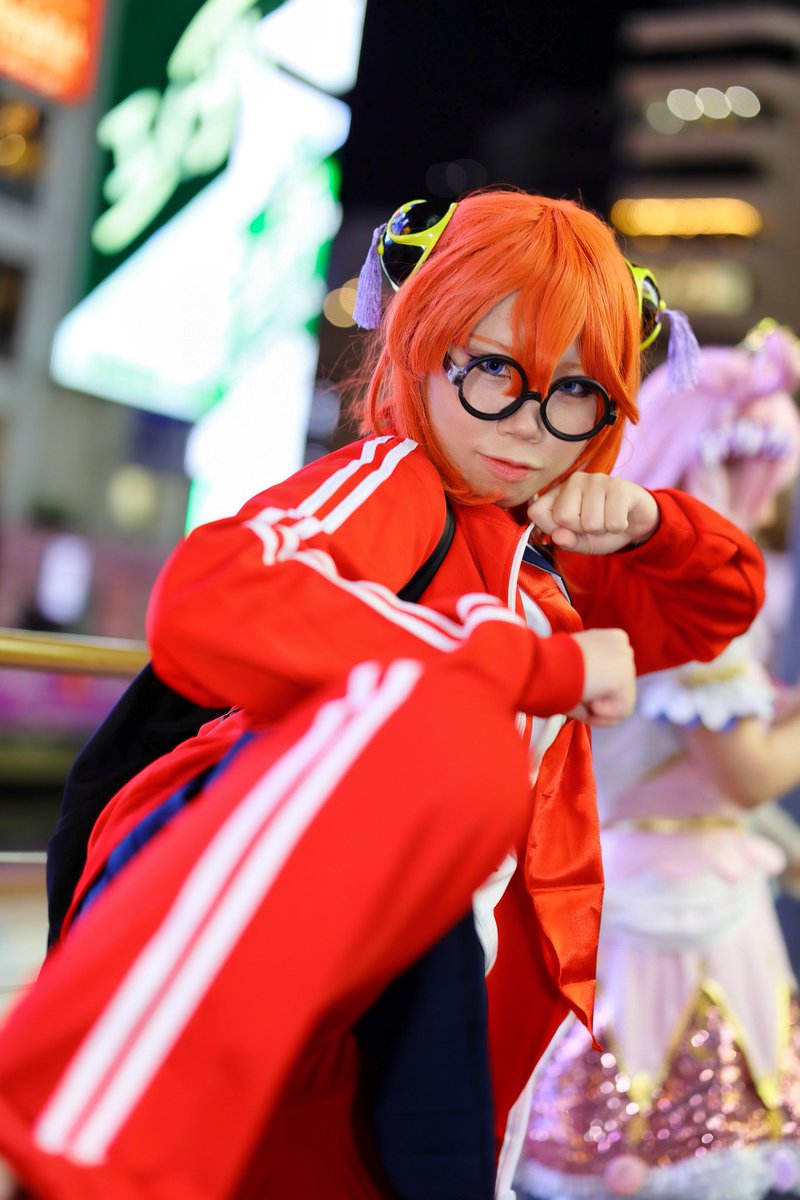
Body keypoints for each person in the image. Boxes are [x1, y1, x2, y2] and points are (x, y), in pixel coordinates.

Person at [0, 190, 766, 1200]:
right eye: (493, 369)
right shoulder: (396, 480)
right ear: (423, 345)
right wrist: (530, 664)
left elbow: (717, 605)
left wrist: (650, 524)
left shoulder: (536, 541)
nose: (528, 424)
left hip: (443, 980)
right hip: (334, 959)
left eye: (575, 390)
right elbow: (211, 595)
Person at [516, 322, 800, 1200]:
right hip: (668, 901)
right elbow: (745, 772)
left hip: (649, 876)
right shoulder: (687, 600)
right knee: (654, 1151)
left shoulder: (629, 579)